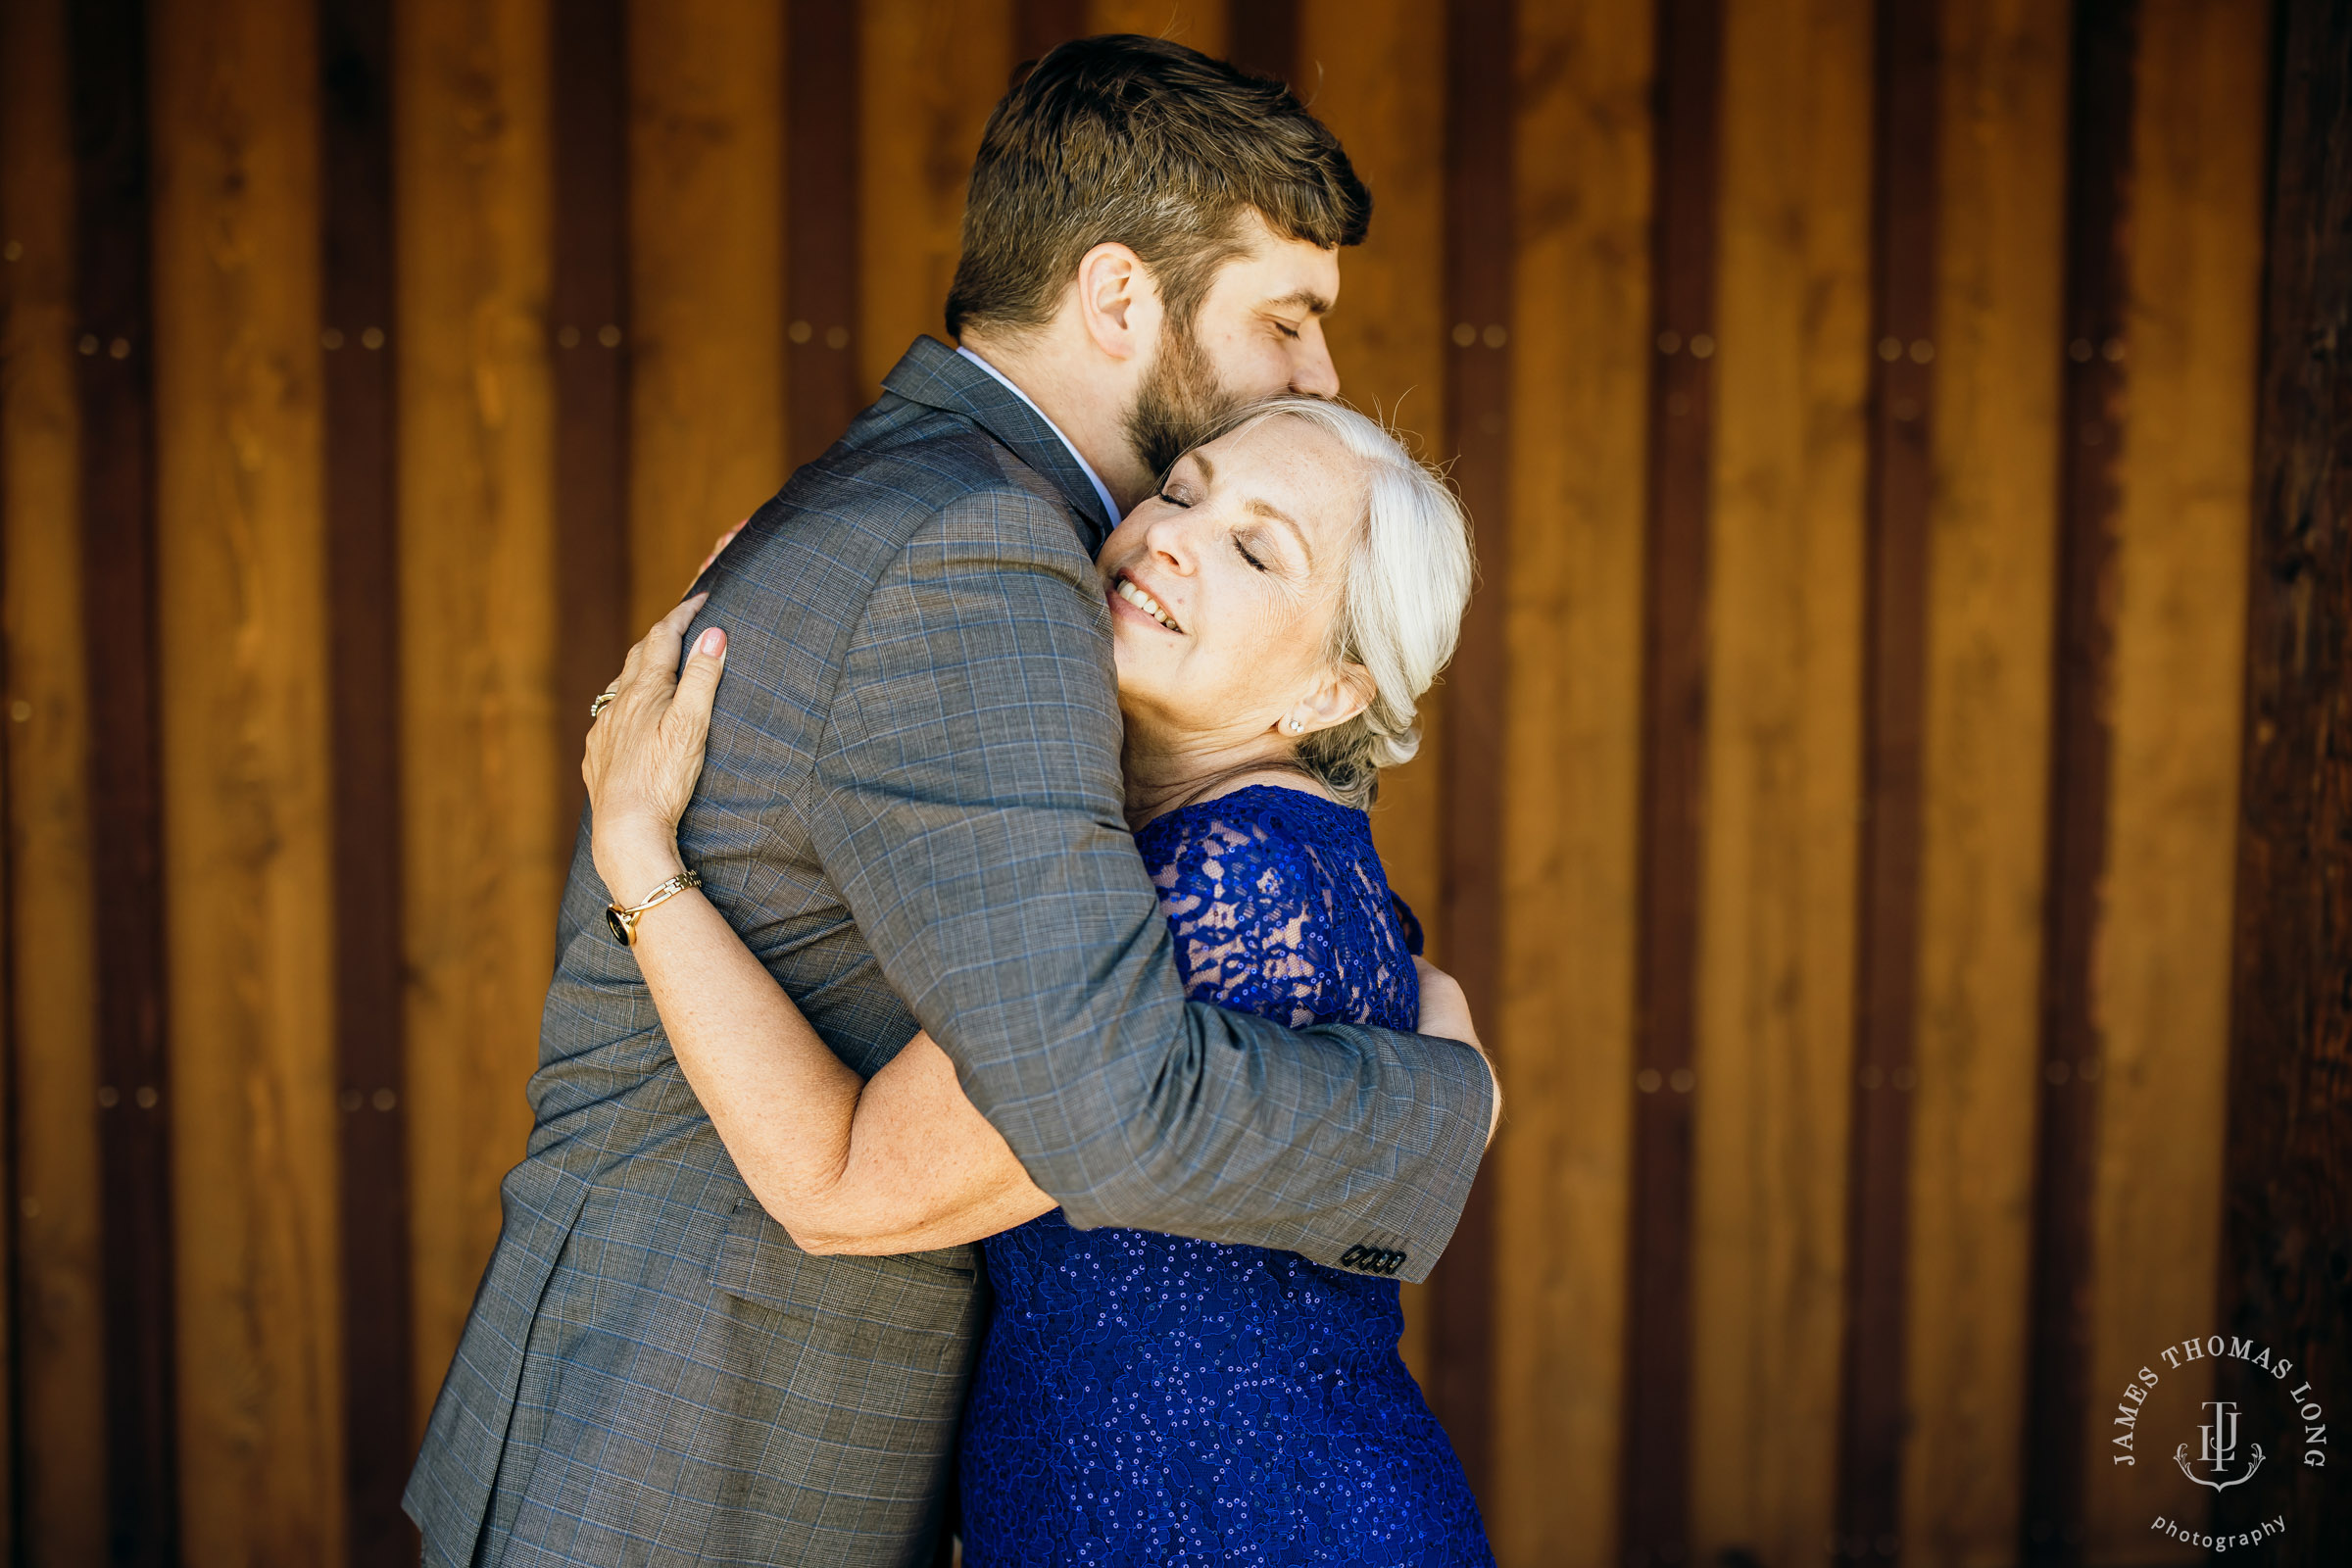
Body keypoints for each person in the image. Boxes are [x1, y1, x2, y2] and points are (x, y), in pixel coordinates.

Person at [404, 35, 1494, 1568]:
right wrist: (1441, 1104)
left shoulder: (925, 499)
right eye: (1288, 318)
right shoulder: (977, 548)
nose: (1317, 373)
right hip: (710, 1463)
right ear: (1122, 299)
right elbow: (1111, 1102)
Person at [585, 396, 1494, 1565]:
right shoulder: (1278, 845)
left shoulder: (1214, 888)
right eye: (1183, 489)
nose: (1174, 533)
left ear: (1329, 694)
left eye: (1257, 549)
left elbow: (838, 1183)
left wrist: (638, 854)